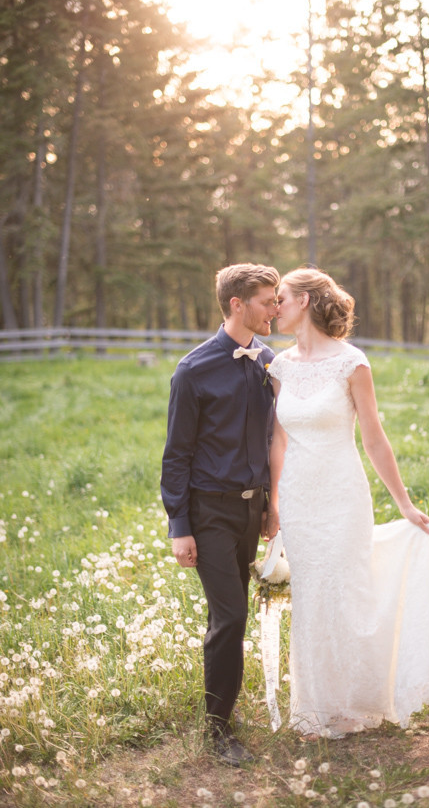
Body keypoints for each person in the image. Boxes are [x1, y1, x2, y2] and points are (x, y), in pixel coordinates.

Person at [266, 267, 429, 739]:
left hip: (342, 494)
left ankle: (357, 700)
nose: (275, 307)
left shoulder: (352, 363)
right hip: (297, 499)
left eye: (282, 298)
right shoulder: (278, 366)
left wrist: (406, 505)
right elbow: (277, 441)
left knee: (345, 592)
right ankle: (314, 707)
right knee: (311, 597)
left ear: (306, 302)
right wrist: (273, 507)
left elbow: (374, 439)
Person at [161, 263, 280, 766]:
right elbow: (177, 454)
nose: (277, 308)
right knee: (230, 615)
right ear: (237, 304)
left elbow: (277, 438)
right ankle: (217, 730)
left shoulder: (269, 362)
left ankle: (222, 704)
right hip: (209, 511)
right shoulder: (193, 370)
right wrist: (179, 526)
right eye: (267, 300)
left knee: (226, 615)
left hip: (254, 512)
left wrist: (273, 503)